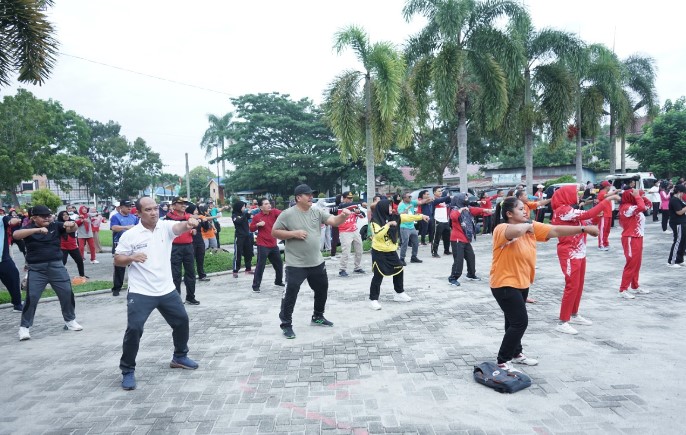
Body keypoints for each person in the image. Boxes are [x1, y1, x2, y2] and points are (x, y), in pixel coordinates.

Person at [489, 196, 600, 372]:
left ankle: (516, 354)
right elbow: (515, 232)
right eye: (520, 209)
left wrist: (583, 228)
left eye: (525, 208)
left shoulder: (530, 227)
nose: (525, 211)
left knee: (511, 322)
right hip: (504, 283)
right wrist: (529, 226)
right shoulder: (502, 228)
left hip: (521, 282)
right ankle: (503, 361)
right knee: (520, 322)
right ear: (509, 213)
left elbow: (555, 230)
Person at [116, 197, 200, 391]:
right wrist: (131, 258)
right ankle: (127, 370)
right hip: (141, 291)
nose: (154, 212)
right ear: (138, 213)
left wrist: (189, 223)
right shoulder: (131, 235)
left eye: (155, 208)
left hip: (166, 289)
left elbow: (179, 227)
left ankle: (179, 356)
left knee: (181, 321)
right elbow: (118, 259)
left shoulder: (165, 227)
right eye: (148, 209)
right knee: (134, 329)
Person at [272, 184, 351, 339]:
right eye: (307, 195)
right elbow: (275, 232)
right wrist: (293, 233)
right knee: (290, 294)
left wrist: (343, 216)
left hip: (316, 261)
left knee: (322, 290)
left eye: (311, 194)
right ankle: (286, 324)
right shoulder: (287, 214)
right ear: (298, 198)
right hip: (296, 264)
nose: (311, 197)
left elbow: (334, 221)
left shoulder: (316, 211)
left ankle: (317, 316)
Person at [551, 185, 619, 335]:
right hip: (569, 253)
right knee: (571, 285)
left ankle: (574, 314)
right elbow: (588, 213)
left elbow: (588, 220)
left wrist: (596, 216)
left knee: (579, 285)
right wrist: (607, 200)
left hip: (579, 252)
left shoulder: (570, 209)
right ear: (566, 195)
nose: (579, 195)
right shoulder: (563, 210)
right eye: (575, 192)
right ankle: (563, 321)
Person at [14, 205, 83, 341]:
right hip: (36, 268)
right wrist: (38, 230)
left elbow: (72, 228)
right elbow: (16, 235)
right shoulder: (28, 228)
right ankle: (24, 327)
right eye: (43, 216)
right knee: (32, 297)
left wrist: (72, 224)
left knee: (67, 293)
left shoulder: (55, 225)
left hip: (56, 266)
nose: (47, 218)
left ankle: (70, 321)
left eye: (48, 215)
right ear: (34, 218)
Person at [368, 198, 429, 310]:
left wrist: (421, 216)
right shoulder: (375, 221)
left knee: (399, 269)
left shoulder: (395, 217)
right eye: (390, 206)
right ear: (383, 208)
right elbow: (377, 235)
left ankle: (399, 293)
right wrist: (388, 224)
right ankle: (373, 299)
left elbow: (407, 217)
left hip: (391, 251)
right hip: (379, 252)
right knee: (378, 275)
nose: (392, 208)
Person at [448, 194, 492, 286]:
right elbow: (453, 217)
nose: (467, 200)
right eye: (465, 198)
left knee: (471, 257)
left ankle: (471, 274)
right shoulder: (454, 209)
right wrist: (460, 210)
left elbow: (474, 210)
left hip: (466, 239)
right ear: (460, 200)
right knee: (458, 260)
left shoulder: (467, 208)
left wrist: (485, 210)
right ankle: (453, 278)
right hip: (457, 239)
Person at [617, 189, 650, 298]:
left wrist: (640, 196)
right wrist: (637, 196)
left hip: (638, 237)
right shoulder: (626, 208)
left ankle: (635, 286)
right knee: (631, 264)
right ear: (630, 197)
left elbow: (648, 204)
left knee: (637, 263)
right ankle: (623, 289)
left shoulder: (632, 205)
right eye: (635, 194)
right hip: (630, 238)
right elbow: (642, 207)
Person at [166, 197, 199, 305]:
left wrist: (194, 230)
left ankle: (190, 296)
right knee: (176, 274)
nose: (184, 205)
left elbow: (196, 226)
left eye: (185, 203)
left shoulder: (189, 216)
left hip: (188, 246)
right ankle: (177, 299)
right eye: (180, 203)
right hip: (175, 247)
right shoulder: (169, 217)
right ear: (174, 205)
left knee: (190, 272)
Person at [249, 197, 283, 293]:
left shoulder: (274, 212)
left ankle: (278, 281)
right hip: (262, 244)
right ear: (260, 207)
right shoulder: (257, 217)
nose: (269, 205)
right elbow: (251, 228)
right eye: (265, 204)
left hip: (273, 244)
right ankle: (255, 286)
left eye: (269, 203)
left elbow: (284, 214)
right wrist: (257, 225)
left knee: (279, 264)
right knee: (261, 265)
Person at [110, 200, 139, 296]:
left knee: (134, 265)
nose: (129, 208)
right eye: (127, 206)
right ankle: (117, 288)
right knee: (119, 266)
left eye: (130, 206)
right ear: (121, 207)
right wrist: (126, 227)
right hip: (119, 243)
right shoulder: (116, 217)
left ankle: (134, 286)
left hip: (133, 244)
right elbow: (114, 227)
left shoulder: (134, 217)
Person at [337, 191, 366, 277]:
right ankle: (342, 269)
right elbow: (347, 207)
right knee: (346, 251)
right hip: (345, 232)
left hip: (354, 231)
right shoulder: (341, 207)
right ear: (344, 198)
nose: (350, 200)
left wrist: (358, 212)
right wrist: (360, 203)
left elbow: (362, 215)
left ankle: (357, 267)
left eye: (351, 198)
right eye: (348, 198)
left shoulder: (353, 207)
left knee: (359, 249)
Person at [0, 212, 23, 312]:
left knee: (13, 276)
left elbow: (12, 220)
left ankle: (17, 304)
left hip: (2, 259)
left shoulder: (1, 219)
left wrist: (15, 220)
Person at [397, 193, 428, 265]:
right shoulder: (401, 205)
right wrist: (407, 209)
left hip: (412, 226)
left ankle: (414, 257)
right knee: (405, 243)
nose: (411, 198)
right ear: (404, 198)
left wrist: (428, 199)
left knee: (416, 242)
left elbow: (420, 202)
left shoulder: (412, 202)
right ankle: (402, 258)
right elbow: (400, 215)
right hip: (404, 226)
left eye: (411, 196)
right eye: (409, 197)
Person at [56, 211, 87, 280]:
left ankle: (82, 275)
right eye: (63, 215)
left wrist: (69, 224)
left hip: (72, 245)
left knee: (79, 260)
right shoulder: (57, 224)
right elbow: (65, 229)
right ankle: (59, 276)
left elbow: (70, 230)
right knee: (62, 262)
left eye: (67, 214)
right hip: (62, 246)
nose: (66, 216)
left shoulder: (72, 222)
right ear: (60, 216)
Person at [187, 204, 210, 282]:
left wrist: (205, 222)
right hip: (191, 242)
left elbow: (206, 228)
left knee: (200, 259)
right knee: (191, 260)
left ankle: (202, 275)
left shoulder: (199, 218)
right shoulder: (188, 219)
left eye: (197, 210)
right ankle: (191, 276)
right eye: (195, 210)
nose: (197, 211)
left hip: (200, 241)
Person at [231, 201, 254, 278]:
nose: (244, 208)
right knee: (238, 253)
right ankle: (235, 270)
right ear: (239, 207)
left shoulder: (244, 214)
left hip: (247, 236)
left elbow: (251, 216)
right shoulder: (234, 215)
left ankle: (248, 269)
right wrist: (245, 214)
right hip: (239, 237)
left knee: (248, 252)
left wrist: (251, 214)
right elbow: (239, 221)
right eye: (243, 207)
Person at [667, 184, 686, 267]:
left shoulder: (678, 199)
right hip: (677, 222)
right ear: (679, 192)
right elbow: (679, 212)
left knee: (683, 241)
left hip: (682, 222)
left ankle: (679, 259)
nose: (683, 194)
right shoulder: (674, 200)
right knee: (678, 241)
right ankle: (672, 261)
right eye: (682, 193)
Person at [430, 186, 451, 257]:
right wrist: (449, 197)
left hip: (445, 220)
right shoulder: (433, 200)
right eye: (438, 191)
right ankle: (434, 252)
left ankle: (446, 250)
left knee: (447, 237)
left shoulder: (443, 200)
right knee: (436, 237)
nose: (440, 192)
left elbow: (449, 202)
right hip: (438, 221)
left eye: (441, 191)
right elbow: (440, 200)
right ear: (434, 193)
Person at [595, 181, 615, 250]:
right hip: (604, 214)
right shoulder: (602, 192)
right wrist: (615, 192)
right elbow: (606, 196)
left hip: (608, 213)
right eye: (609, 186)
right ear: (606, 186)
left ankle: (605, 243)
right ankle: (601, 245)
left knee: (607, 230)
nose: (610, 187)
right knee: (602, 230)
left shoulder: (606, 193)